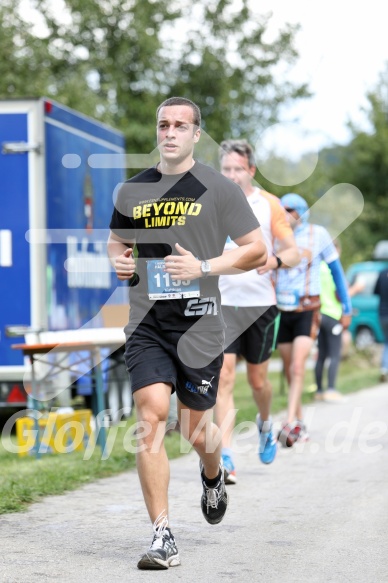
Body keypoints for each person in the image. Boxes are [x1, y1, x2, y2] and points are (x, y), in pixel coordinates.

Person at [107, 97, 267, 570]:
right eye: (163, 124)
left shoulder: (218, 188)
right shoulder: (131, 190)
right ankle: (162, 535)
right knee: (152, 414)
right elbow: (118, 239)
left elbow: (255, 250)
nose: (170, 132)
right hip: (146, 322)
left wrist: (203, 266)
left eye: (181, 125)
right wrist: (118, 260)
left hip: (199, 323)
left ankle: (212, 474)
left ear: (197, 135)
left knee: (197, 428)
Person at [215, 139, 300, 482]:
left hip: (260, 305)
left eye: (238, 169)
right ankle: (226, 456)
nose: (232, 176)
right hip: (221, 302)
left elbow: (292, 252)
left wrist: (275, 261)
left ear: (250, 170)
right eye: (226, 169)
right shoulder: (211, 201)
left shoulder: (269, 205)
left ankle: (266, 425)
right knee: (223, 378)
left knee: (258, 380)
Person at [275, 193, 352, 447]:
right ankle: (300, 423)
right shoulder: (275, 235)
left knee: (298, 367)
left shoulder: (318, 234)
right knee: (289, 369)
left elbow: (337, 271)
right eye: (281, 209)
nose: (284, 214)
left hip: (309, 308)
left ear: (301, 212)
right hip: (282, 310)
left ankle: (288, 423)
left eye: (289, 210)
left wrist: (346, 307)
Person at [315, 239, 364, 402]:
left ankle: (319, 391)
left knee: (321, 355)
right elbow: (339, 295)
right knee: (335, 354)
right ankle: (331, 389)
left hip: (319, 315)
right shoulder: (332, 269)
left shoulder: (317, 268)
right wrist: (356, 288)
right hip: (332, 314)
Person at [374, 268, 388, 382]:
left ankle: (384, 368)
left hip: (383, 314)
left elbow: (375, 291)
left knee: (386, 342)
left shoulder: (382, 273)